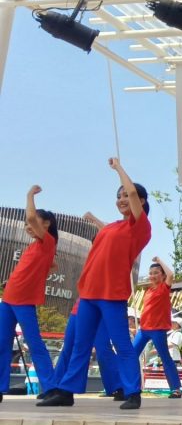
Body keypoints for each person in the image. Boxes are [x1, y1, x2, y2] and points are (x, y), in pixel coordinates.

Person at [38, 158, 151, 410]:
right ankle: (66, 391)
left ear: (141, 201)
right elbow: (105, 233)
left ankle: (133, 392)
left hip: (112, 293)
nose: (122, 199)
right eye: (118, 196)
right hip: (89, 293)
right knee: (81, 344)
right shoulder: (113, 227)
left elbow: (132, 192)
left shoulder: (140, 226)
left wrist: (118, 168)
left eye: (126, 196)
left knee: (121, 343)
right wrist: (91, 218)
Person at [1, 185, 58, 401]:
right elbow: (48, 266)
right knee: (1, 343)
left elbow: (31, 217)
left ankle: (50, 388)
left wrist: (29, 195)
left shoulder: (47, 242)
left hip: (24, 301)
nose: (29, 225)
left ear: (46, 224)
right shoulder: (33, 246)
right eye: (27, 225)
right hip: (8, 299)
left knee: (34, 343)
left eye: (32, 223)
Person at [133, 257, 182, 398]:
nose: (153, 275)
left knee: (165, 358)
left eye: (156, 273)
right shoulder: (148, 291)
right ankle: (131, 387)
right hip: (144, 329)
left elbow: (171, 275)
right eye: (151, 273)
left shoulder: (164, 288)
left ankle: (176, 389)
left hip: (158, 329)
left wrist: (160, 261)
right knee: (131, 355)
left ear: (162, 275)